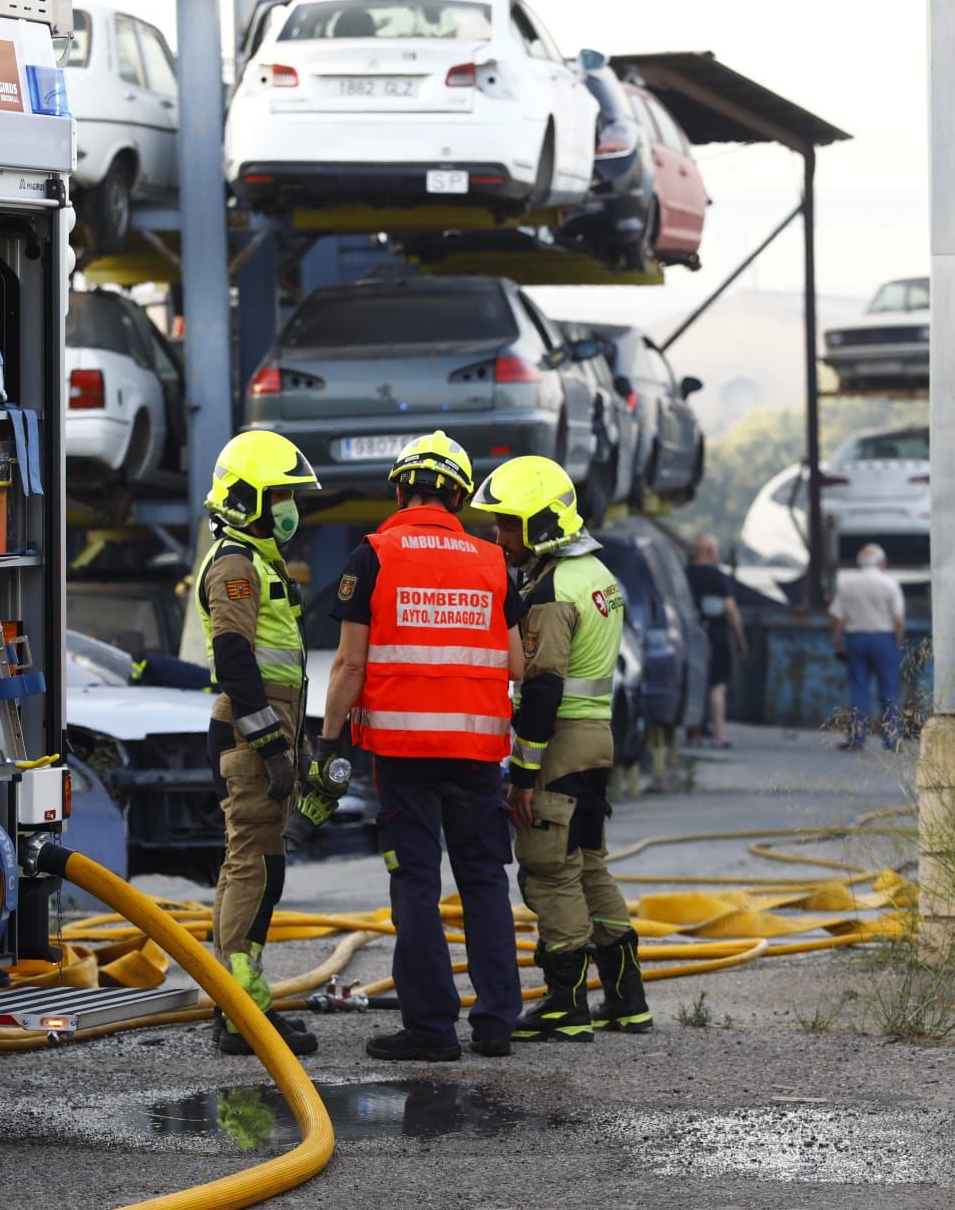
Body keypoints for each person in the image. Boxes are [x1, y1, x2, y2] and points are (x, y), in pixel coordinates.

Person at [290, 432, 526, 1061]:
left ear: (400, 489)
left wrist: (328, 743)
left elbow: (347, 666)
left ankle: (431, 1030)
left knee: (415, 885)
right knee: (484, 882)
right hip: (478, 755)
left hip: (401, 754)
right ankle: (498, 1023)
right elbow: (519, 665)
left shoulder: (372, 556)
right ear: (460, 496)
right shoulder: (493, 561)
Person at [470, 456, 650, 1042]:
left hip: (561, 741)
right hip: (598, 738)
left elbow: (542, 687)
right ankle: (627, 999)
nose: (500, 536)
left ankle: (565, 1003)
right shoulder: (600, 576)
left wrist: (522, 773)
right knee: (591, 866)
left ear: (543, 524)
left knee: (550, 871)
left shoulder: (549, 590)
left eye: (509, 525)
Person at [194, 429, 321, 1056]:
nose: (289, 509)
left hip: (265, 733)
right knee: (252, 863)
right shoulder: (236, 565)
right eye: (281, 497)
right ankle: (241, 1009)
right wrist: (272, 749)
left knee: (263, 864)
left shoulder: (257, 559)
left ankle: (243, 1002)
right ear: (249, 499)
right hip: (250, 737)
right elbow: (235, 658)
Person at [829, 543, 907, 751]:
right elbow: (899, 620)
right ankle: (892, 740)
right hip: (884, 639)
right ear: (881, 562)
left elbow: (837, 617)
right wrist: (898, 642)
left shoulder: (847, 584)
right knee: (888, 690)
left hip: (856, 639)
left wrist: (837, 641)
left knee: (858, 689)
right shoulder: (889, 584)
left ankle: (857, 738)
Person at [684, 534, 747, 749]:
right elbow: (730, 610)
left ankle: (693, 733)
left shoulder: (683, 575)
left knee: (694, 683)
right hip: (716, 636)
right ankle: (719, 735)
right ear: (710, 551)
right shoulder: (717, 577)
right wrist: (740, 638)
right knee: (717, 687)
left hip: (689, 636)